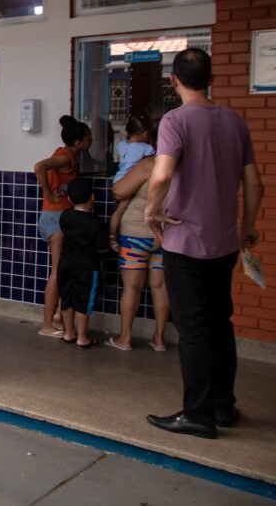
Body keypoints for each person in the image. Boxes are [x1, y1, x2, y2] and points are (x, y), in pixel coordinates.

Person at [145, 48, 263, 440]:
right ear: (211, 79)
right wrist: (247, 225)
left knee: (193, 327)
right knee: (219, 322)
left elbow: (161, 175)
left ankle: (197, 413)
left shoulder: (175, 120)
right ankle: (223, 405)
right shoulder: (235, 121)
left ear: (173, 80)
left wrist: (152, 211)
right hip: (224, 242)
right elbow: (254, 182)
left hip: (184, 241)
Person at [33, 115, 93, 337]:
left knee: (63, 270)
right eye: (88, 139)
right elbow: (39, 167)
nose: (91, 142)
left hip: (57, 217)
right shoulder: (65, 156)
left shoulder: (68, 156)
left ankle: (58, 316)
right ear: (78, 141)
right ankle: (47, 324)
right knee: (57, 272)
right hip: (55, 217)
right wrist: (48, 193)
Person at [108, 155, 169, 352]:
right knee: (160, 287)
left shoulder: (151, 164)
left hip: (135, 235)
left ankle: (125, 338)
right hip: (164, 236)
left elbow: (118, 191)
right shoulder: (185, 166)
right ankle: (159, 339)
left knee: (132, 286)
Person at [56, 178, 109, 349]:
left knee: (67, 298)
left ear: (69, 199)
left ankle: (68, 333)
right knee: (83, 300)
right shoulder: (96, 222)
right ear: (92, 197)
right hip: (87, 267)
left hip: (65, 264)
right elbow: (102, 248)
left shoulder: (65, 216)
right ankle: (82, 337)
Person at [109, 116, 155, 251]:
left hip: (119, 178)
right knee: (122, 209)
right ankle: (112, 238)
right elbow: (155, 158)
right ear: (145, 134)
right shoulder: (146, 148)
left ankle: (112, 236)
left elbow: (120, 151)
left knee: (118, 211)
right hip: (130, 180)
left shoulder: (122, 145)